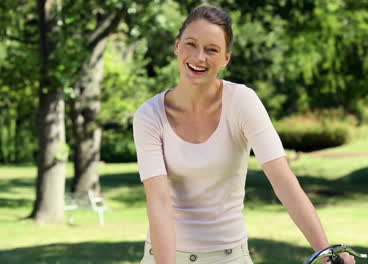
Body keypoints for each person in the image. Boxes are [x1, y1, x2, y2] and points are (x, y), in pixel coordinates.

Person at [133, 5, 356, 264]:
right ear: (176, 46)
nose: (199, 57)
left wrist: (325, 252)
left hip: (229, 257)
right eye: (191, 44)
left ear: (226, 58)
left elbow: (283, 181)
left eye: (212, 49)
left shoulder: (242, 102)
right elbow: (159, 204)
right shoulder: (149, 115)